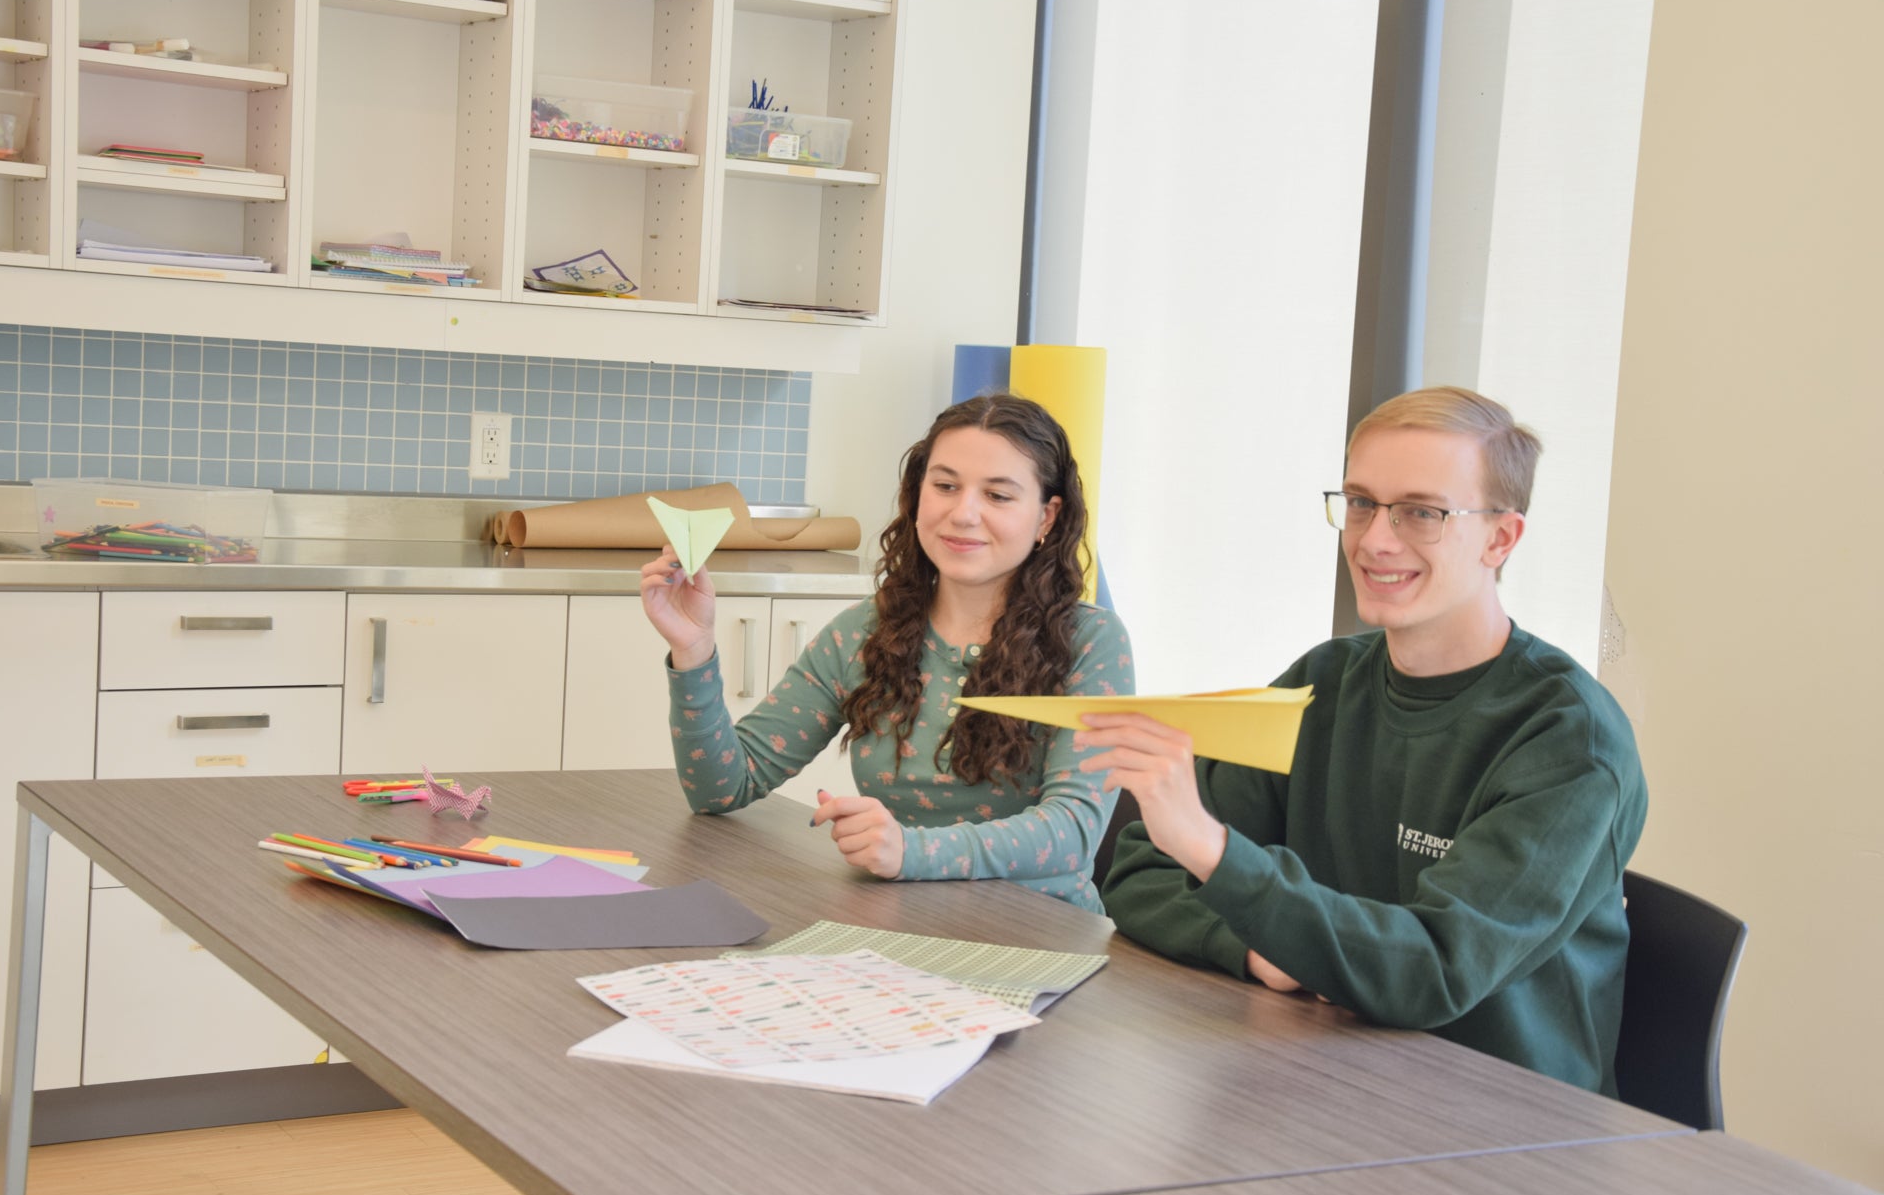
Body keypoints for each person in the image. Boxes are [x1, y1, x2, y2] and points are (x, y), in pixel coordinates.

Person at [1081, 386, 1646, 1093]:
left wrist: (1213, 852)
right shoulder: (1324, 682)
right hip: (1322, 1073)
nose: (1375, 539)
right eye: (1360, 503)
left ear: (1501, 538)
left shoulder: (1569, 738)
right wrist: (1254, 949)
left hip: (1499, 1126)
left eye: (1421, 513)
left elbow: (1433, 969)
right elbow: (1140, 876)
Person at [639, 393, 1135, 912]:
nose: (963, 513)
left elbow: (1074, 831)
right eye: (945, 486)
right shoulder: (863, 632)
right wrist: (693, 652)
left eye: (998, 496)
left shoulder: (1091, 643)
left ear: (1047, 518)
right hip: (897, 926)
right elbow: (722, 787)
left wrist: (909, 851)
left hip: (1043, 938)